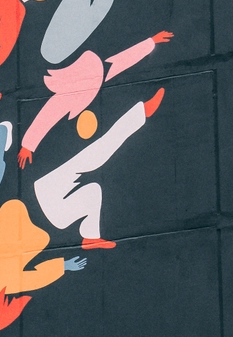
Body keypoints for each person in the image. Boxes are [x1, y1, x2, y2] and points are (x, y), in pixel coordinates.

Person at [29, 90, 164, 248]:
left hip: (56, 210)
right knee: (97, 152)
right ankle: (141, 113)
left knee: (93, 188)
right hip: (48, 196)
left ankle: (90, 237)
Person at [17, 33, 170, 167]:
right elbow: (48, 114)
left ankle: (142, 111)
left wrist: (151, 42)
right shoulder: (70, 94)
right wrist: (28, 145)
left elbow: (124, 60)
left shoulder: (99, 72)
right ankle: (142, 112)